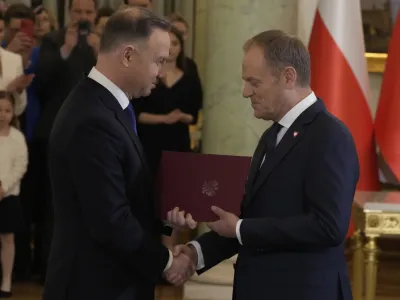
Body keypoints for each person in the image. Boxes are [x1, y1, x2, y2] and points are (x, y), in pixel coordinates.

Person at [169, 30, 359, 300]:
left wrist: (239, 228)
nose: (246, 93)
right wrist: (194, 253)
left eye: (254, 82)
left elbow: (328, 226)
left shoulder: (330, 136)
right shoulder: (273, 135)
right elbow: (252, 217)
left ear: (288, 77)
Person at [43, 7, 196, 300]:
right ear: (127, 55)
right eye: (159, 61)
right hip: (93, 286)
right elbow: (110, 221)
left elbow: (123, 196)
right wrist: (167, 261)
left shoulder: (109, 106)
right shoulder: (92, 119)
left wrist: (164, 220)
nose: (162, 73)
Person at [0, 91, 28, 298]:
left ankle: (6, 280)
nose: (3, 114)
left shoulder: (17, 137)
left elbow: (21, 166)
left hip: (8, 197)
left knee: (8, 238)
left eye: (7, 110)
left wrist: (3, 187)